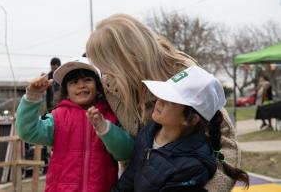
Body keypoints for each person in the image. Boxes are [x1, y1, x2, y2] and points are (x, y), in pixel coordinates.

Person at [86, 14, 241, 192]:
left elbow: (226, 142)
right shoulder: (110, 84)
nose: (106, 74)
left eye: (108, 66)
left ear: (128, 58)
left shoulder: (182, 72)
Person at [88, 66, 249, 192]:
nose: (159, 101)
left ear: (192, 118)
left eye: (170, 100)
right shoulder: (149, 132)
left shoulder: (192, 166)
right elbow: (131, 177)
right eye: (162, 94)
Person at [16, 57, 123, 192]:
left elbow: (124, 153)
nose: (81, 85)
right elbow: (27, 131)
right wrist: (32, 97)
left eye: (87, 80)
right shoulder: (57, 118)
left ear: (98, 87)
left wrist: (105, 128)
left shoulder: (110, 117)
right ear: (66, 91)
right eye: (74, 82)